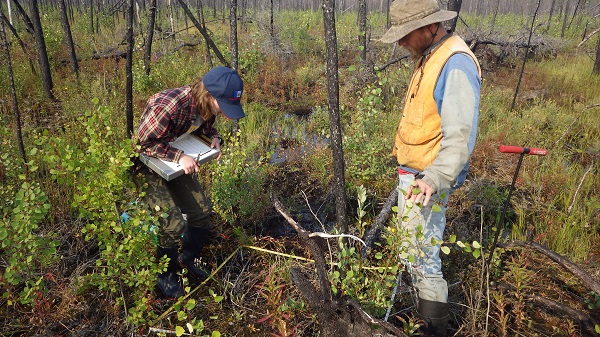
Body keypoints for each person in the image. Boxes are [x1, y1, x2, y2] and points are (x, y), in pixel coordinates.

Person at [380, 0, 481, 336]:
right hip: (416, 178)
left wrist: (434, 179)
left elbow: (460, 138)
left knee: (424, 259)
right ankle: (419, 317)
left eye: (405, 34)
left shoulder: (455, 63)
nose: (400, 42)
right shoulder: (431, 54)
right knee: (412, 252)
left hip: (428, 182)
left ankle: (433, 330)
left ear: (429, 26)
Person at [133, 66, 245, 299]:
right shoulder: (169, 106)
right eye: (222, 106)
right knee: (172, 223)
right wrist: (179, 157)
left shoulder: (205, 106)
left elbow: (204, 126)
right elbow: (142, 145)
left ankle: (188, 258)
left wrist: (213, 138)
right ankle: (166, 276)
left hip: (173, 163)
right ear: (209, 96)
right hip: (145, 165)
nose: (224, 113)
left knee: (201, 211)